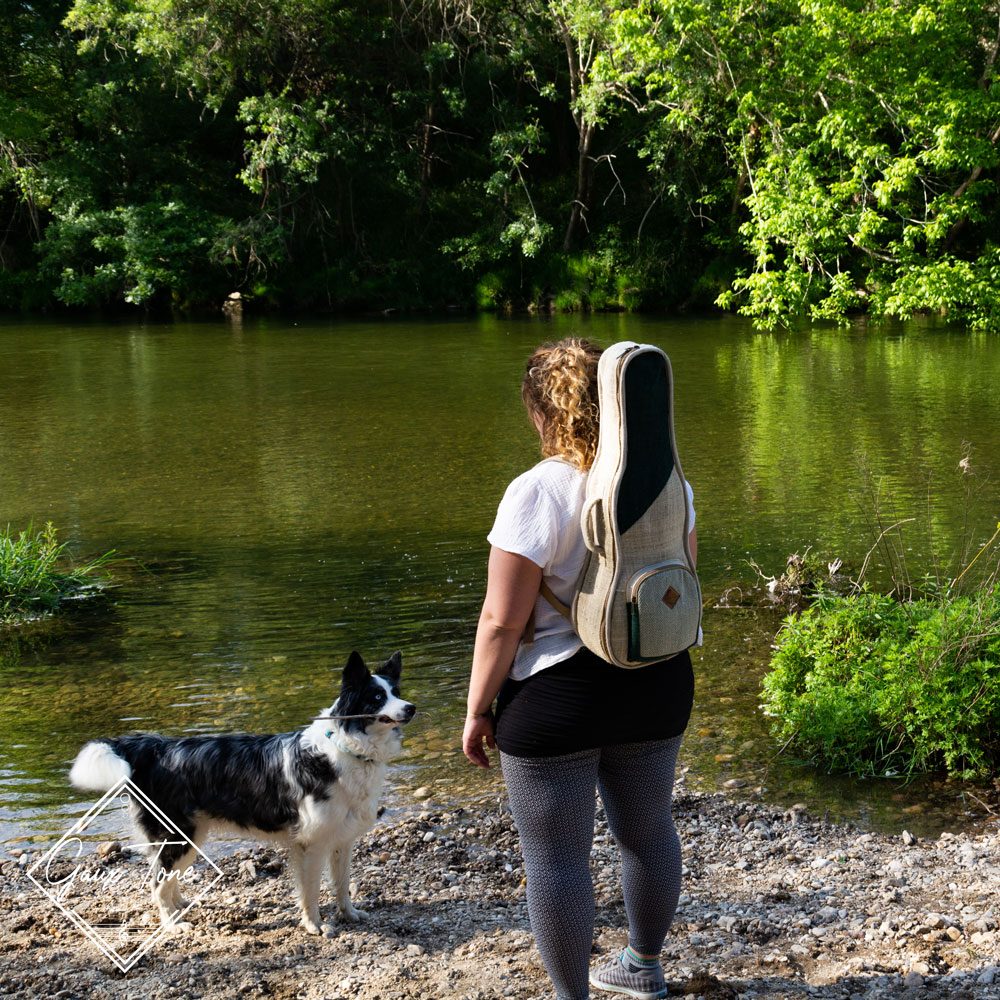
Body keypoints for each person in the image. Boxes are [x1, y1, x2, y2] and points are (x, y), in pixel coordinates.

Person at [462, 337, 696, 1000]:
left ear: (541, 413)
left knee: (557, 858)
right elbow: (680, 583)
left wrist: (479, 711)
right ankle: (643, 967)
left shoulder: (537, 491)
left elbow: (502, 622)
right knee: (648, 831)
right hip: (656, 682)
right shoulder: (667, 481)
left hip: (557, 697)